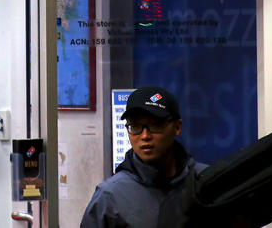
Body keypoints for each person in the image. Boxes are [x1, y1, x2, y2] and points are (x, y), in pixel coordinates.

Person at [80, 86, 206, 228]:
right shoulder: (110, 197)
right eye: (135, 127)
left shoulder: (205, 183)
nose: (145, 136)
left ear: (177, 127)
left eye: (155, 125)